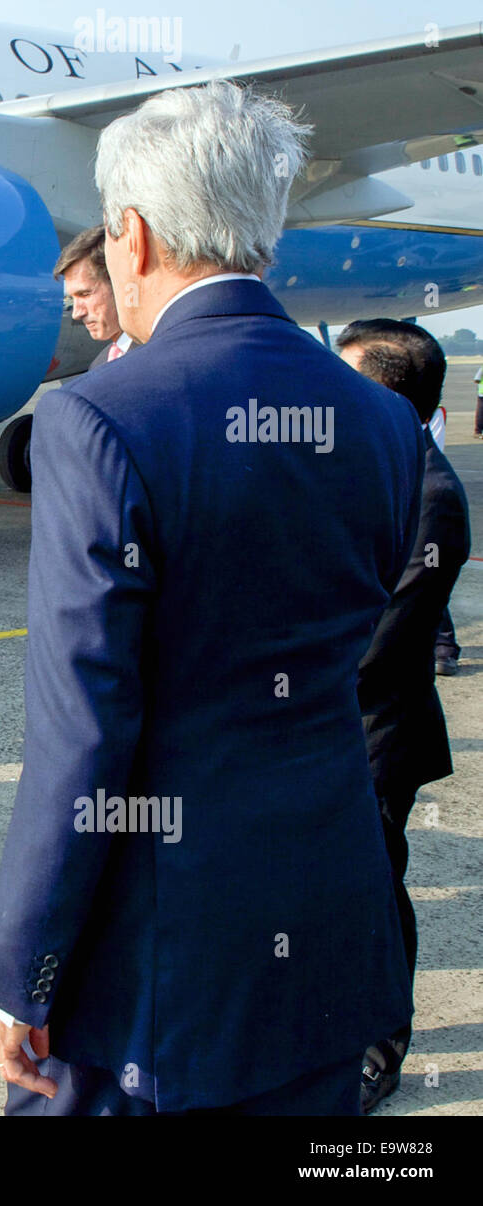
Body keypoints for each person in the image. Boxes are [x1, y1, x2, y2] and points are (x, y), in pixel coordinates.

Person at [0, 81, 423, 1116]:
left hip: (157, 961)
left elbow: (81, 734)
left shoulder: (96, 417)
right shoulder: (383, 421)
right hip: (326, 915)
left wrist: (23, 968)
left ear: (128, 235)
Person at [335, 320, 471, 1113]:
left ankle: (380, 1048)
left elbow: (378, 642)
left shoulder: (432, 495)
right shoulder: (363, 464)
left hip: (375, 735)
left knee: (377, 896)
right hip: (323, 728)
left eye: (346, 376)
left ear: (384, 391)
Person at [55, 224, 132, 367]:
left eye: (84, 294)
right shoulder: (100, 363)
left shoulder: (160, 357)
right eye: (72, 299)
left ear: (119, 283)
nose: (76, 314)